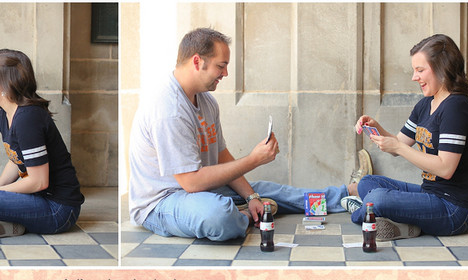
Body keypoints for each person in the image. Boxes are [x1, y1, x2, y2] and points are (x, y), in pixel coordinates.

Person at [128, 27, 368, 241]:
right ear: (197, 61)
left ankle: (345, 195)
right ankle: (241, 214)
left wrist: (252, 195)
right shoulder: (168, 110)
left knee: (272, 191)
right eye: (221, 66)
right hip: (162, 202)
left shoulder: (207, 102)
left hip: (203, 191)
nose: (225, 74)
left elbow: (222, 157)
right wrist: (253, 160)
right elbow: (191, 182)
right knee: (218, 216)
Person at [341, 34, 468, 241]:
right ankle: (405, 224)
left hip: (455, 209)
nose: (415, 77)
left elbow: (445, 168)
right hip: (430, 194)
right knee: (367, 182)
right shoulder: (425, 105)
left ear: (442, 67)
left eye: (420, 70)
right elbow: (400, 142)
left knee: (377, 198)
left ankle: (361, 212)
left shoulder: (456, 106)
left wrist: (397, 147)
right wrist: (376, 128)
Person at [0, 49, 84, 239]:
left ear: (5, 80)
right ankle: (6, 222)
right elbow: (15, 160)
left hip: (58, 209)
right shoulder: (5, 114)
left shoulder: (28, 118)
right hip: (36, 197)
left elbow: (39, 181)